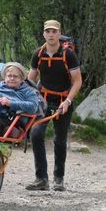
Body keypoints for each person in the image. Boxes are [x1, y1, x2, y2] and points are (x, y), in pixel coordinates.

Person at [26, 20, 82, 191]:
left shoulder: (68, 54)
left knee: (59, 140)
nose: (51, 34)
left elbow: (78, 81)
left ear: (59, 34)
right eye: (48, 31)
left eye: (54, 31)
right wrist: (31, 97)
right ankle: (41, 179)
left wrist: (68, 101)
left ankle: (59, 179)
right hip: (43, 100)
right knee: (36, 135)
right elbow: (31, 78)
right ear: (43, 34)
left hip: (63, 101)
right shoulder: (38, 53)